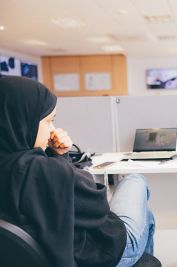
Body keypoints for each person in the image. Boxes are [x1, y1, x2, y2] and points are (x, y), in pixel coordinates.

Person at [0, 75, 155, 267]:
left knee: (146, 217)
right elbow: (97, 205)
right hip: (97, 256)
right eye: (49, 121)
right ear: (22, 121)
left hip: (38, 257)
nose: (52, 130)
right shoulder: (41, 170)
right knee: (135, 180)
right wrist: (60, 156)